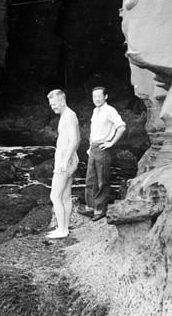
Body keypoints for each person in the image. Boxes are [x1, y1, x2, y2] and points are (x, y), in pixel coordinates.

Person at [83, 86, 126, 222]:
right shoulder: (95, 111)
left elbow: (121, 127)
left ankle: (100, 210)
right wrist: (90, 148)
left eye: (99, 96)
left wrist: (111, 143)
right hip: (94, 148)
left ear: (105, 96)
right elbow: (93, 132)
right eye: (94, 97)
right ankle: (90, 207)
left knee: (102, 180)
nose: (96, 99)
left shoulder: (110, 110)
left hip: (103, 148)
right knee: (90, 179)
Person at [46, 89, 81, 239]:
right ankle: (64, 228)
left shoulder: (68, 116)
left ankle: (62, 230)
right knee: (66, 195)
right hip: (68, 157)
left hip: (64, 159)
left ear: (62, 101)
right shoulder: (67, 115)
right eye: (50, 104)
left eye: (54, 104)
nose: (52, 107)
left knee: (55, 196)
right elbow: (76, 139)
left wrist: (65, 161)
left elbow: (75, 140)